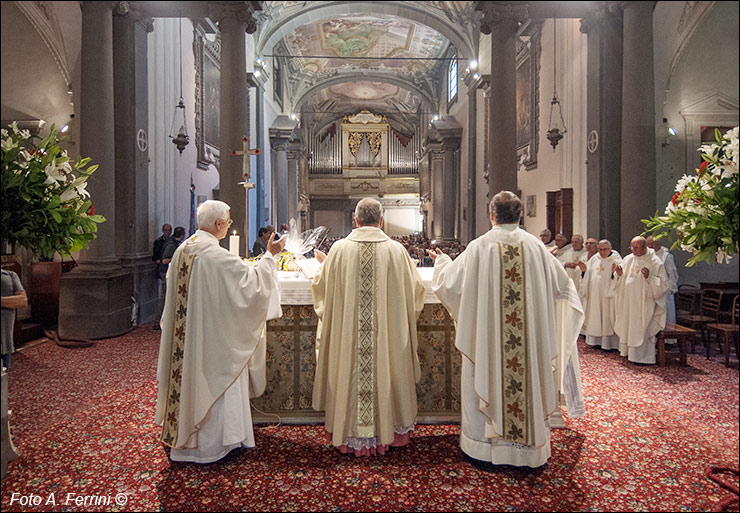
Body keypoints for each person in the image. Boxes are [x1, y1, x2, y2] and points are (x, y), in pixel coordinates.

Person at [431, 191, 585, 468]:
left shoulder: (479, 247)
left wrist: (441, 261)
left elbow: (449, 286)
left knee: (484, 374)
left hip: (488, 346)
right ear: (520, 215)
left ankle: (483, 449)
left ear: (492, 216)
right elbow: (564, 287)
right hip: (528, 347)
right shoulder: (536, 248)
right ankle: (527, 453)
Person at [155, 200, 286, 463]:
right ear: (218, 224)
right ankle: (213, 448)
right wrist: (270, 255)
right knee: (220, 375)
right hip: (211, 341)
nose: (228, 226)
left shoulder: (183, 250)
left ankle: (182, 439)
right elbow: (252, 287)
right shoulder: (215, 256)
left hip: (189, 337)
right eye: (227, 221)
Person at [311, 198, 425, 456]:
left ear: (356, 220)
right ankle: (388, 430)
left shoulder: (339, 250)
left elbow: (320, 288)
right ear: (381, 220)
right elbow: (416, 292)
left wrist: (325, 267)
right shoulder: (397, 251)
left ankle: (348, 432)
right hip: (386, 341)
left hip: (349, 342)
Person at [612, 236, 669, 365]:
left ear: (645, 247)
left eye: (636, 247)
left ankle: (643, 358)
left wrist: (649, 277)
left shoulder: (654, 262)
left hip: (644, 302)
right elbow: (620, 279)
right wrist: (619, 274)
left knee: (642, 329)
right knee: (629, 326)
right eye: (631, 247)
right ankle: (628, 354)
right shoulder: (628, 259)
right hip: (629, 301)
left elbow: (663, 285)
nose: (633, 250)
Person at [580, 240, 622, 350]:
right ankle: (596, 342)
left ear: (610, 249)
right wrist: (584, 271)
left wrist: (615, 274)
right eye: (600, 249)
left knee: (608, 317)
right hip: (595, 295)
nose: (602, 252)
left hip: (608, 296)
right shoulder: (595, 258)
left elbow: (620, 277)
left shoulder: (616, 259)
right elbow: (588, 272)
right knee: (595, 315)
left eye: (605, 249)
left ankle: (610, 344)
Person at [647, 235, 679, 341]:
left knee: (666, 317)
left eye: (653, 243)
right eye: (648, 244)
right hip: (651, 291)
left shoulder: (666, 256)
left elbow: (672, 274)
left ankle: (668, 341)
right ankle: (654, 340)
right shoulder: (647, 255)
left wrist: (669, 289)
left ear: (659, 243)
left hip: (664, 291)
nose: (650, 246)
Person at [1, 268, 27, 371]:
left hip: (3, 343)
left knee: (3, 382)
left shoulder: (10, 275)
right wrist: (8, 302)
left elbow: (22, 300)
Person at [152, 224, 172, 330]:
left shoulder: (173, 242)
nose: (167, 232)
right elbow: (155, 257)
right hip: (163, 270)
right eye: (165, 230)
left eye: (169, 230)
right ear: (162, 230)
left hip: (169, 270)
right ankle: (157, 321)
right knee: (163, 296)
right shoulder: (159, 242)